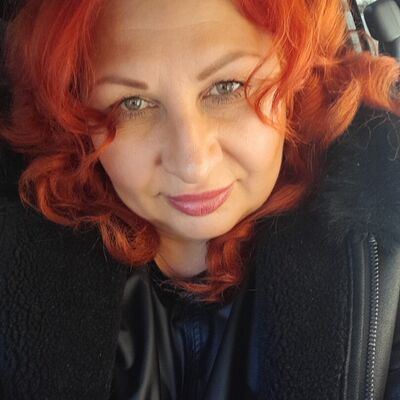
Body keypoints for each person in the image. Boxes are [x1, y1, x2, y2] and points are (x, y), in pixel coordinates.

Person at [0, 0, 399, 399]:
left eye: (228, 87)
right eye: (132, 103)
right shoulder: (20, 266)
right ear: (75, 117)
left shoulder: (384, 261)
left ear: (296, 81)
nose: (192, 164)